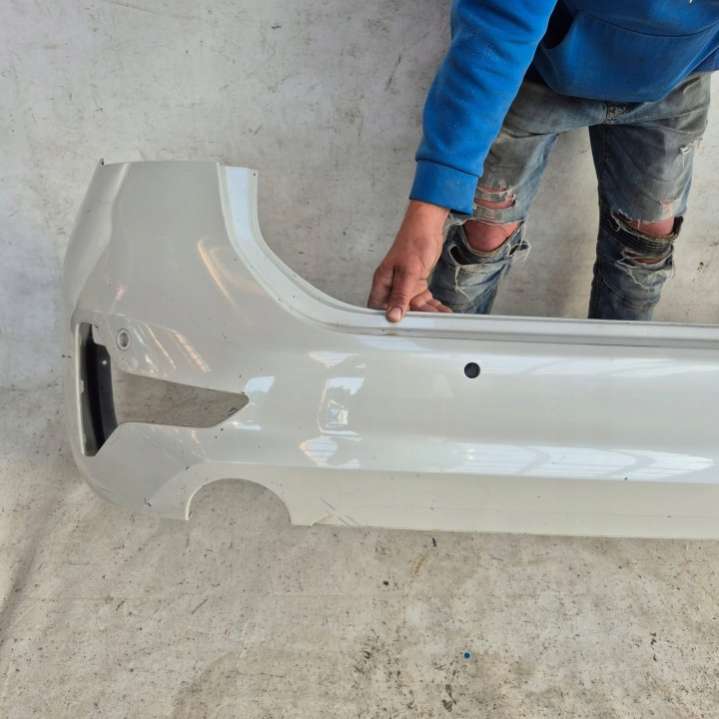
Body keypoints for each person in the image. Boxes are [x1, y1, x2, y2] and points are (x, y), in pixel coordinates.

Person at [368, 1, 719, 323]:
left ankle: (616, 367)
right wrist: (429, 211)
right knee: (484, 239)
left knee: (645, 249)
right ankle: (449, 363)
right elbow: (497, 29)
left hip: (675, 79)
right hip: (540, 69)